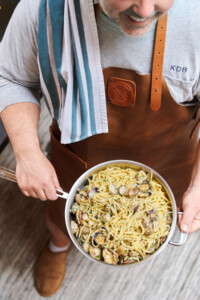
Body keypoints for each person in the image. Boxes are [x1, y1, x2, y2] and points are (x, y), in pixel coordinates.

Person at [0, 0, 200, 297]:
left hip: (170, 164)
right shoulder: (40, 9)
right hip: (76, 157)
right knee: (60, 217)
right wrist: (28, 153)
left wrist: (198, 185)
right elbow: (11, 77)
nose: (144, 11)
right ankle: (59, 244)